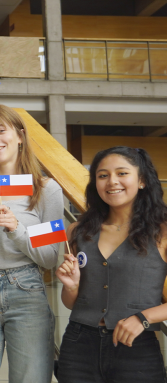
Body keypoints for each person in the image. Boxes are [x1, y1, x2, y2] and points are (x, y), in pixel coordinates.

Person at [0, 104, 62, 383]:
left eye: (1, 131)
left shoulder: (45, 189)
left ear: (20, 135)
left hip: (26, 291)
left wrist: (17, 230)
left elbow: (51, 257)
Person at [56, 146, 167, 383]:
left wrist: (143, 317)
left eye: (122, 173)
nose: (112, 181)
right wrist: (71, 286)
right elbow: (70, 303)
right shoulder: (78, 231)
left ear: (142, 181)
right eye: (103, 175)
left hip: (136, 349)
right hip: (78, 346)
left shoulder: (162, 232)